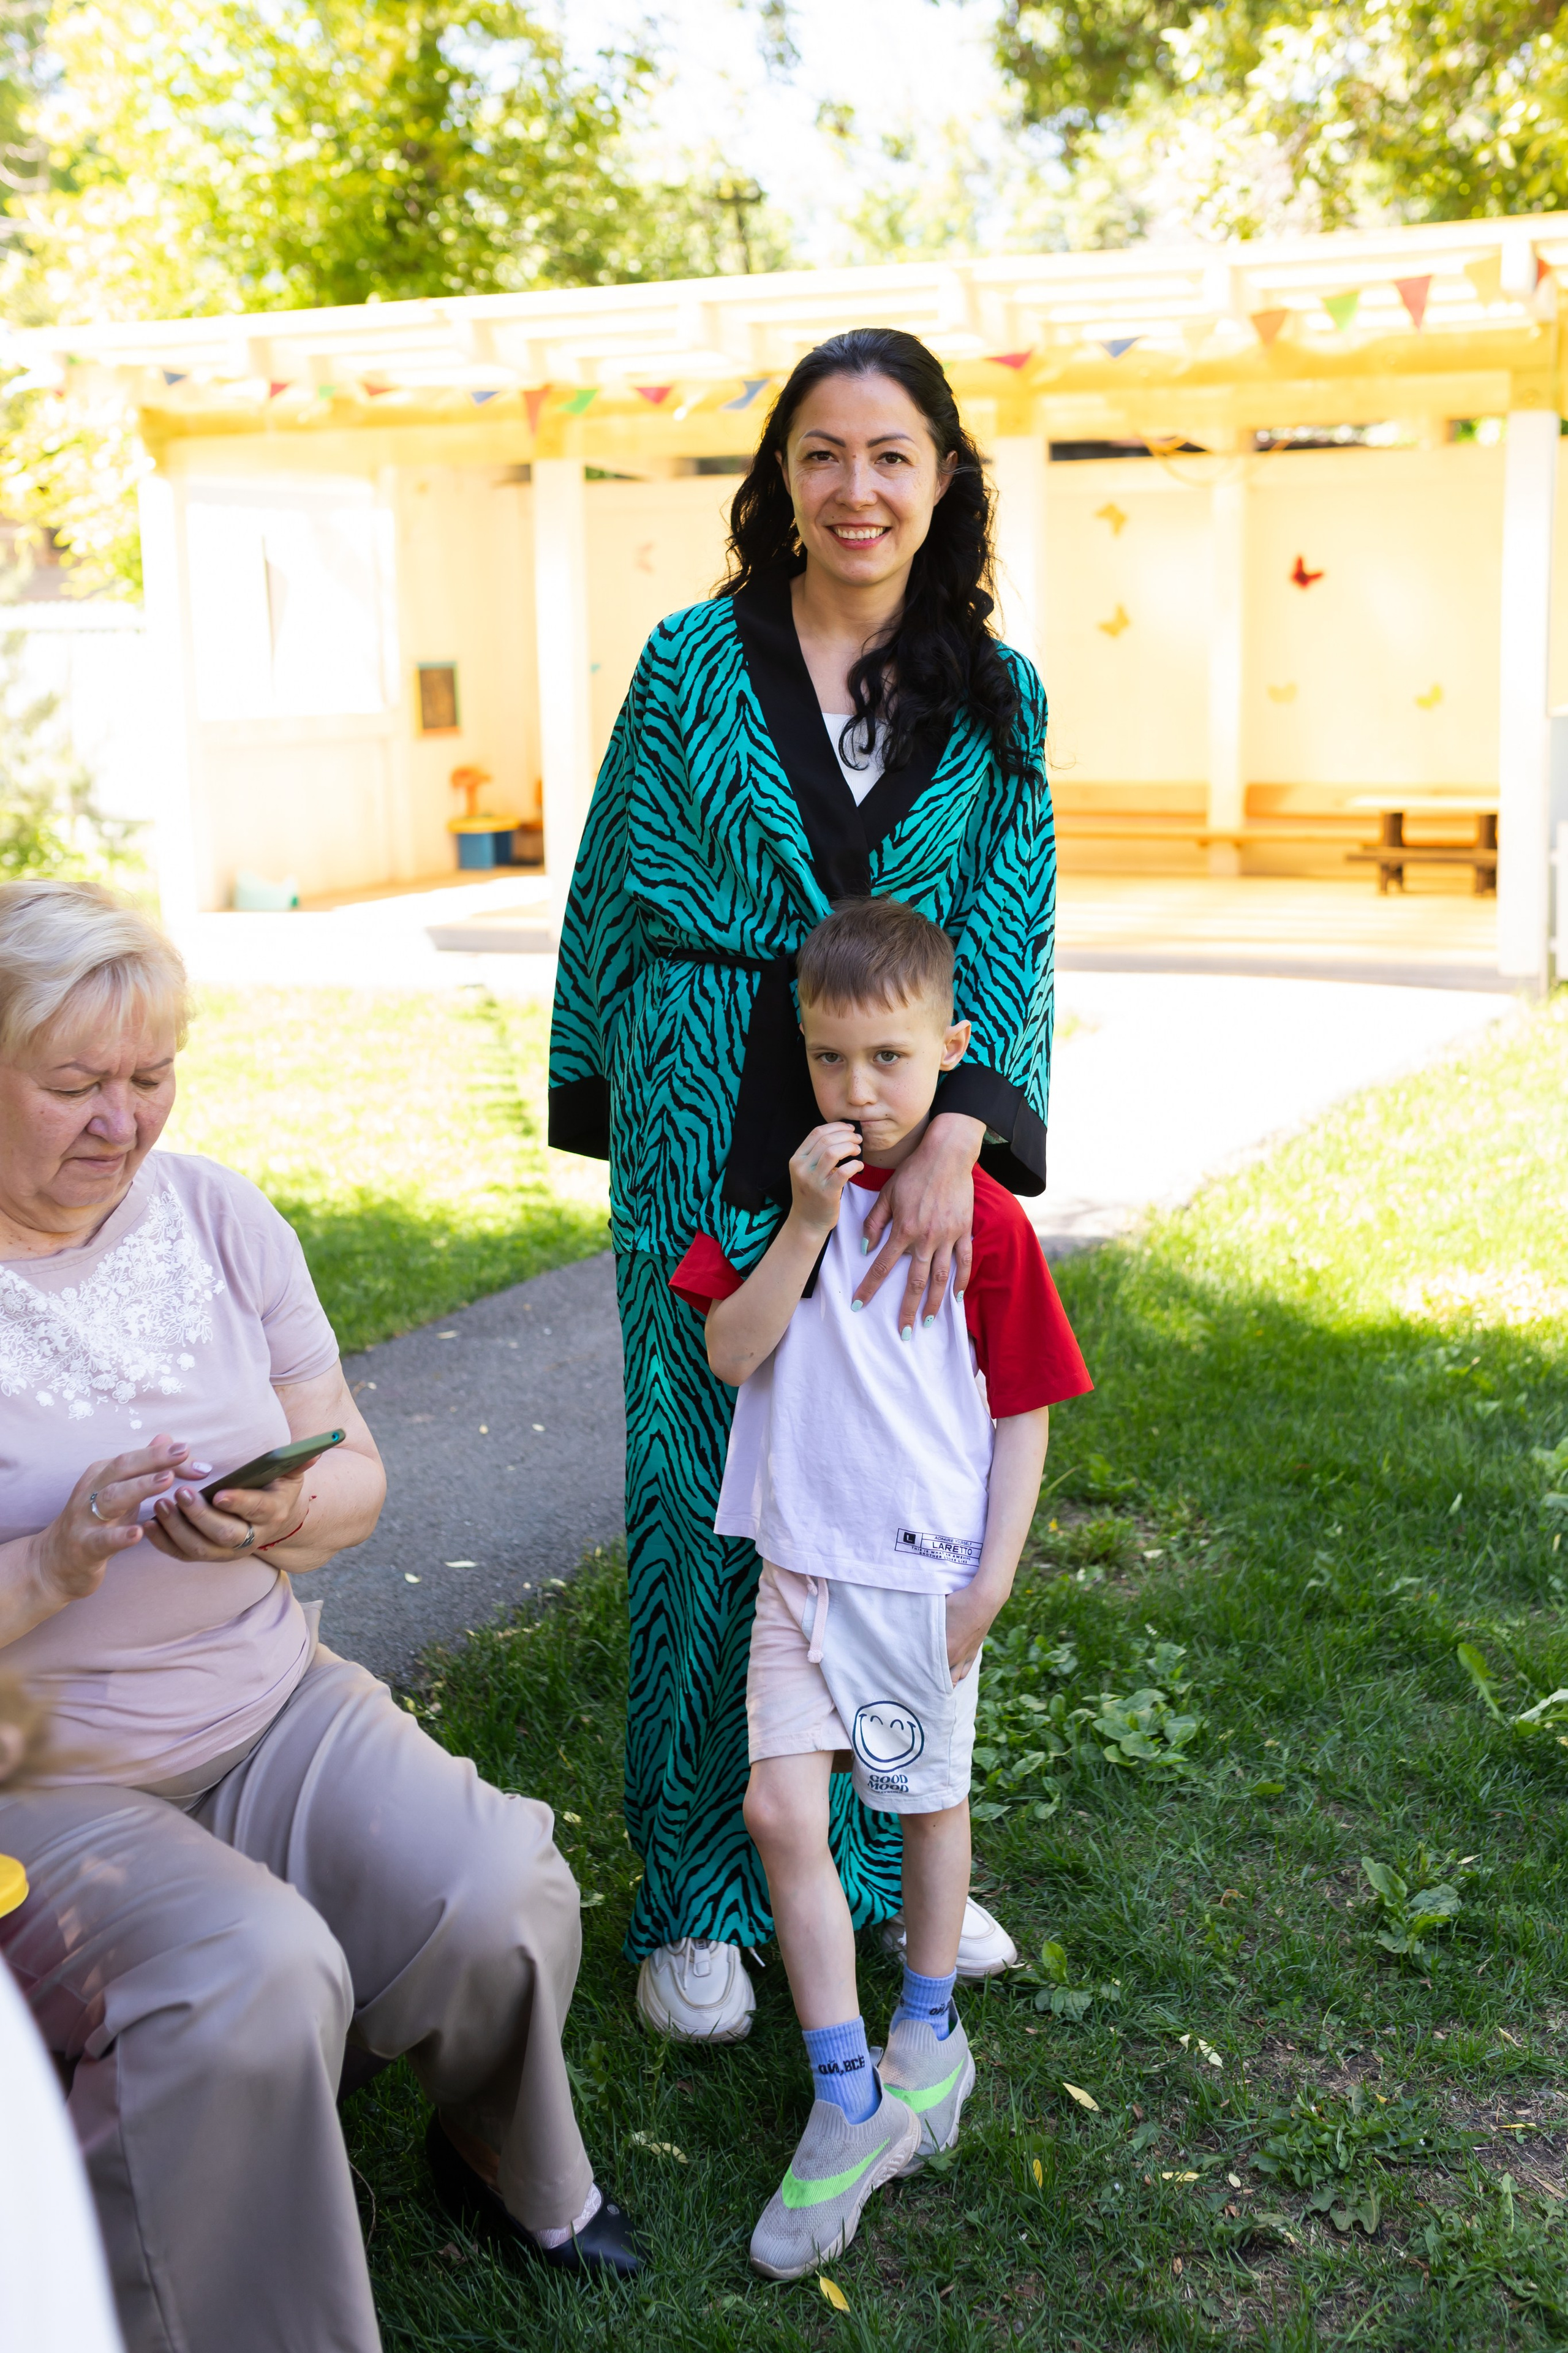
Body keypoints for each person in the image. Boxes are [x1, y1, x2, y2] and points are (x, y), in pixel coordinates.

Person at [0, 878, 639, 2353]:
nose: (122, 1121)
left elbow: (356, 1476)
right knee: (248, 1975)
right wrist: (54, 1558)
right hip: (43, 1770)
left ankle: (499, 2156)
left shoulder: (218, 1217)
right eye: (76, 1084)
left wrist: (277, 1515)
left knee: (495, 1883)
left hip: (264, 1695)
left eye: (152, 1075)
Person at [551, 325, 1058, 2040]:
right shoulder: (691, 661)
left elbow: (1013, 917)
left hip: (903, 1136)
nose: (857, 488)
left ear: (942, 478)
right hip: (708, 1107)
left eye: (891, 454)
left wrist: (962, 1132)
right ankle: (698, 1891)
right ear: (781, 476)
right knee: (704, 1498)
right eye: (823, 454)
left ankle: (883, 1853)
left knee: (890, 1492)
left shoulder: (996, 694)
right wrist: (615, 1098)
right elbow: (610, 882)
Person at [669, 898, 1091, 2276]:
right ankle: (846, 2096)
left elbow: (1023, 1409)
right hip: (798, 1568)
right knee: (779, 1809)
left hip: (919, 1580)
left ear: (950, 1050)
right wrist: (803, 1222)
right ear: (801, 1053)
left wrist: (990, 1584)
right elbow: (731, 1354)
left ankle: (928, 2031)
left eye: (891, 1059)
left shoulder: (983, 1221)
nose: (860, 1089)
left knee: (922, 1807)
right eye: (831, 1058)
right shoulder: (777, 1196)